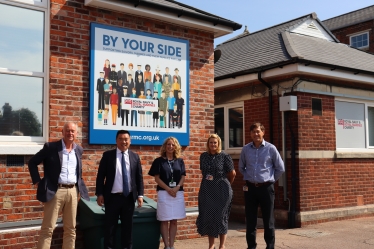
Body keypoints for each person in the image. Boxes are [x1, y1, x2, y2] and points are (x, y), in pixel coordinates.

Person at [28, 122, 89, 249]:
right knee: (48, 228)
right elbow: (32, 162)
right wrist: (38, 181)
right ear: (62, 132)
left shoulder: (78, 150)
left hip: (72, 191)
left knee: (71, 229)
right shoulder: (51, 147)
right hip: (55, 191)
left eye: (73, 131)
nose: (70, 133)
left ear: (76, 134)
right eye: (67, 130)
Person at [239, 122, 285, 249]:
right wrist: (250, 178)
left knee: (268, 220)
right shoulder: (246, 149)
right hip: (250, 189)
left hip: (266, 188)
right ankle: (251, 246)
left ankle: (270, 246)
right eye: (253, 132)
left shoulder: (271, 148)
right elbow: (241, 167)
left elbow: (280, 168)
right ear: (250, 134)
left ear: (263, 132)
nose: (256, 134)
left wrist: (270, 180)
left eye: (258, 131)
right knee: (250, 220)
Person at [96, 130, 144, 249]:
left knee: (127, 228)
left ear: (130, 141)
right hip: (112, 198)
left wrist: (140, 195)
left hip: (128, 198)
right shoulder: (108, 156)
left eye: (126, 139)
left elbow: (139, 178)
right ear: (116, 140)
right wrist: (100, 193)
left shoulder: (135, 157)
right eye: (121, 139)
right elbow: (100, 176)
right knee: (110, 228)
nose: (124, 141)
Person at [196, 134, 236, 249]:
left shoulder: (224, 156)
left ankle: (222, 245)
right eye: (211, 142)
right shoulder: (203, 156)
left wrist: (227, 184)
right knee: (209, 217)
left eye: (215, 142)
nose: (213, 144)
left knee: (221, 217)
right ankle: (211, 245)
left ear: (218, 144)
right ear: (208, 144)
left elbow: (232, 173)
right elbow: (204, 172)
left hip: (222, 190)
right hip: (207, 190)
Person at [148, 137, 186, 249]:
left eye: (172, 145)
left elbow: (183, 176)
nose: (170, 147)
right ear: (165, 146)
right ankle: (166, 246)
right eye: (168, 144)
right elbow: (157, 178)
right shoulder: (158, 161)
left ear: (176, 147)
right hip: (164, 193)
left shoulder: (180, 161)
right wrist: (168, 189)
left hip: (177, 193)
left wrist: (177, 187)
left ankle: (172, 245)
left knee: (174, 220)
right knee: (164, 220)